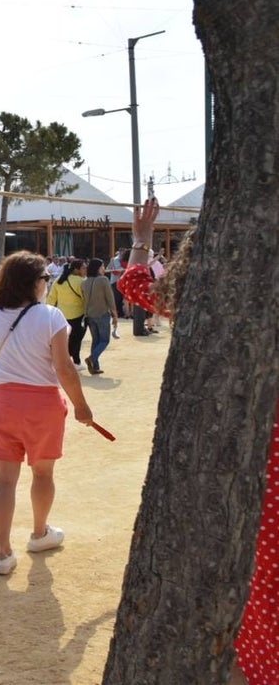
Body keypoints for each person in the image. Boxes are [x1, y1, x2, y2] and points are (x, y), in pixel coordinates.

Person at [118, 200, 277, 685]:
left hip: (235, 449)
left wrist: (142, 240)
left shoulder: (210, 301)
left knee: (257, 573)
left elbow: (136, 285)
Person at [0, 251, 93, 576]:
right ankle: (40, 533)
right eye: (45, 278)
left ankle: (2, 553)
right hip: (42, 405)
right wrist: (81, 405)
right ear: (34, 283)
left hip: (0, 402)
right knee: (43, 474)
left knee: (3, 480)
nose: (46, 283)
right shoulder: (51, 316)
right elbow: (64, 368)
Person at [46, 259, 87, 370]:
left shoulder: (59, 280)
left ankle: (65, 361)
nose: (85, 270)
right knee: (76, 340)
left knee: (65, 340)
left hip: (62, 315)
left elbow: (51, 298)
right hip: (78, 314)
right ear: (76, 269)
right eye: (83, 267)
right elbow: (85, 298)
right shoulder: (81, 282)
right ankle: (76, 362)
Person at [80, 258, 118, 375]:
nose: (104, 269)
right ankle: (92, 358)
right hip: (102, 313)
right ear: (98, 268)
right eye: (102, 267)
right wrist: (115, 315)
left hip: (89, 315)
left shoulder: (84, 282)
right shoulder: (103, 280)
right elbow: (110, 299)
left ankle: (95, 367)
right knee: (104, 340)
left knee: (95, 340)